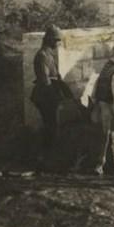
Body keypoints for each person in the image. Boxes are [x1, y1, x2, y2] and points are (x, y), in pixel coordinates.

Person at [31, 24, 68, 159]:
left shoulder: (48, 54)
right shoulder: (42, 55)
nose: (58, 44)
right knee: (51, 127)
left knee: (52, 126)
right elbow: (45, 79)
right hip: (45, 96)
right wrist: (56, 97)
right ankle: (46, 157)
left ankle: (47, 156)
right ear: (51, 40)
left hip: (50, 95)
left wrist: (67, 94)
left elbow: (56, 76)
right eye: (57, 41)